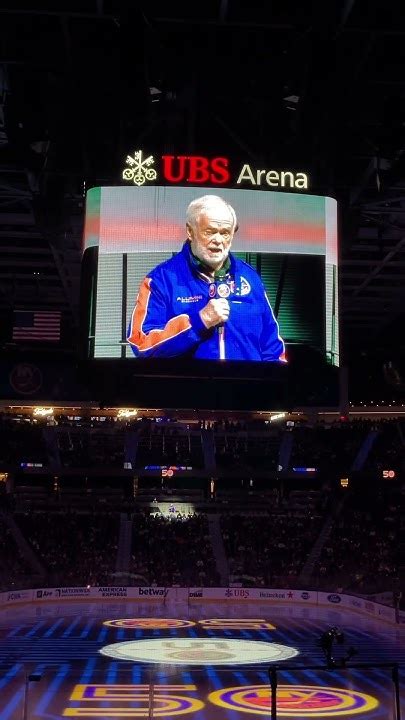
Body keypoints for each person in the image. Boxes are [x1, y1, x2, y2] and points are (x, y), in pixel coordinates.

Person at [127, 195, 286, 361]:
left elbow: (273, 348)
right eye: (209, 232)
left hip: (245, 386)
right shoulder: (161, 280)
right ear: (190, 231)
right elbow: (141, 343)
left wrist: (272, 384)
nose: (218, 240)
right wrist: (199, 321)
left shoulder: (250, 277)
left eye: (225, 233)